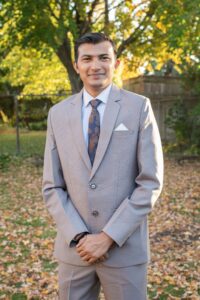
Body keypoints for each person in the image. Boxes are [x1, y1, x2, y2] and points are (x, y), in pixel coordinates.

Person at [42, 32, 164, 300]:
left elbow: (150, 182)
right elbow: (52, 185)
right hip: (75, 251)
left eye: (103, 58)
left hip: (124, 250)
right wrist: (80, 236)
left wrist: (108, 236)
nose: (95, 65)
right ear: (76, 65)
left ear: (116, 63)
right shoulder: (58, 114)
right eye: (86, 58)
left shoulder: (139, 107)